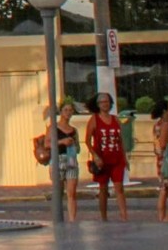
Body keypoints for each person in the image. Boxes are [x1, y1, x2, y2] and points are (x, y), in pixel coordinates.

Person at [85, 92, 129, 221]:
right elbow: (87, 140)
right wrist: (95, 156)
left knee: (119, 187)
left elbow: (121, 140)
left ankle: (124, 215)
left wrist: (125, 158)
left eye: (107, 101)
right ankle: (104, 217)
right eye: (102, 102)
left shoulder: (115, 119)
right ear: (98, 105)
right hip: (102, 160)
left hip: (117, 158)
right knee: (103, 189)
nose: (105, 104)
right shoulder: (94, 119)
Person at [47, 102, 81, 222]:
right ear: (61, 112)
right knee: (58, 191)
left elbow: (78, 148)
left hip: (71, 160)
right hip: (58, 159)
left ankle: (72, 219)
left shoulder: (74, 130)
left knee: (72, 192)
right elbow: (47, 143)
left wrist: (73, 144)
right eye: (66, 110)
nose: (68, 112)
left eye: (70, 110)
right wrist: (62, 142)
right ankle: (58, 218)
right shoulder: (53, 127)